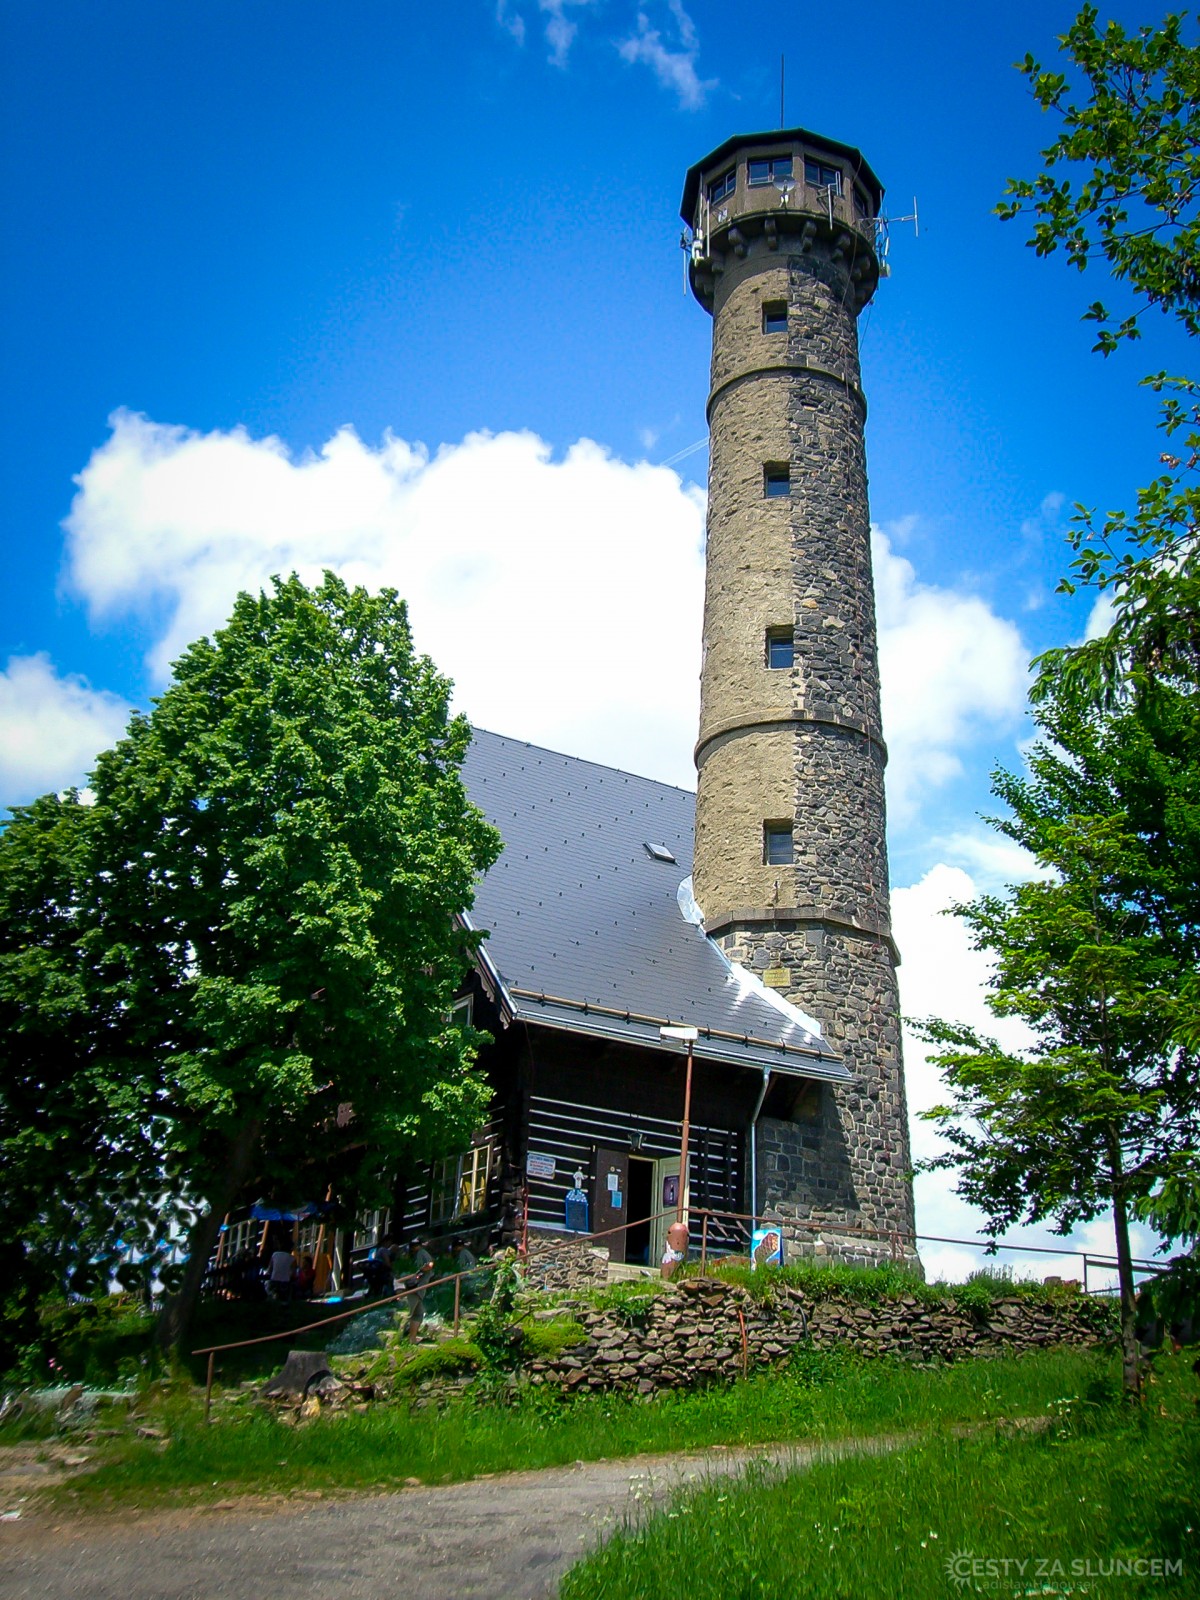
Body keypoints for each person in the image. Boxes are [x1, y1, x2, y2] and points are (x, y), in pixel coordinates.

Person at [404, 1237, 436, 1340]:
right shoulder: (416, 1254)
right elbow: (430, 1265)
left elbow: (430, 1264)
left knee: (418, 1314)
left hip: (418, 1289)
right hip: (416, 1290)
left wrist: (420, 1270)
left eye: (415, 1245)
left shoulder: (421, 1253)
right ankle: (404, 1339)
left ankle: (412, 1339)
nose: (414, 1247)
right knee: (411, 1313)